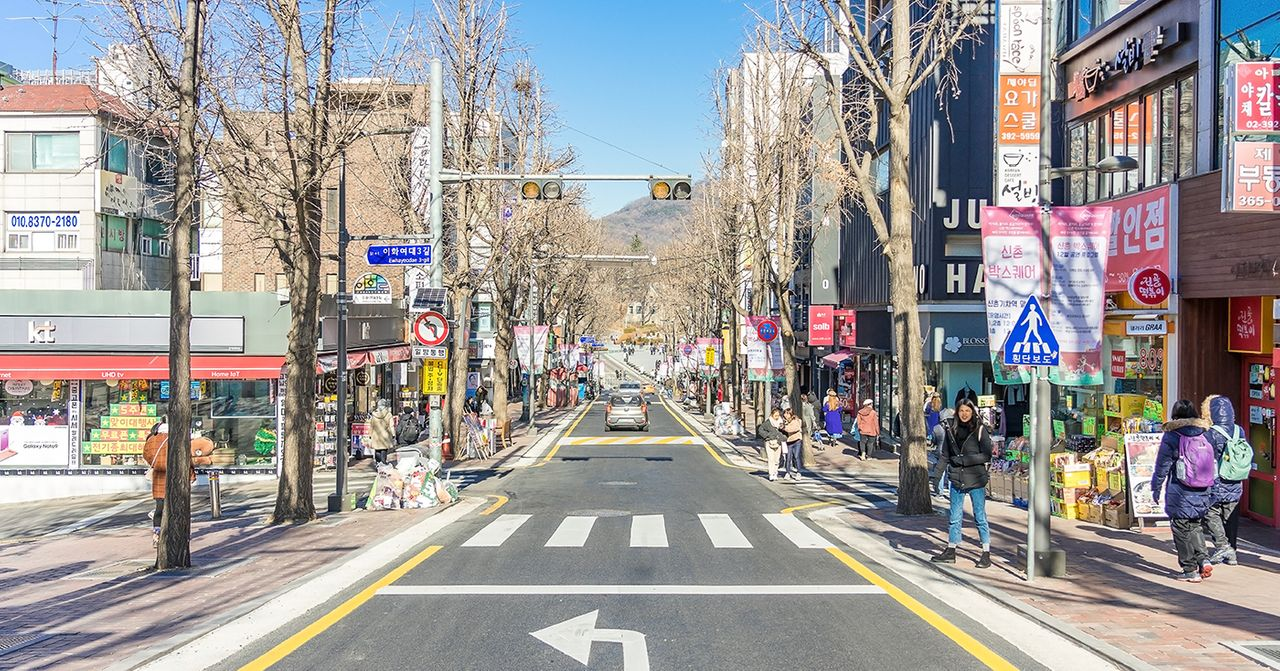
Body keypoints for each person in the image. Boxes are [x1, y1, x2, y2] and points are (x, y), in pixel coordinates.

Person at [1151, 399, 1215, 582]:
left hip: (1180, 490)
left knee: (1180, 528)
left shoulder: (1172, 435)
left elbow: (1162, 465)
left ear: (1175, 415)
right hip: (1203, 488)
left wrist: (1156, 488)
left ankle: (1189, 570)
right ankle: (1204, 559)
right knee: (1195, 525)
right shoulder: (1205, 433)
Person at [931, 399, 993, 567]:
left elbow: (987, 455)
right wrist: (936, 476)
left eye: (968, 410)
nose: (965, 414)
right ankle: (951, 549)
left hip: (976, 479)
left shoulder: (980, 429)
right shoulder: (951, 430)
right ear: (957, 412)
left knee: (980, 516)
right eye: (961, 411)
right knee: (954, 517)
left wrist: (964, 460)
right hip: (957, 479)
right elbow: (945, 455)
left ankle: (986, 552)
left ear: (972, 412)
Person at [143, 423, 214, 548]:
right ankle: (175, 535)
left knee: (160, 507)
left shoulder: (151, 440)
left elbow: (147, 457)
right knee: (177, 507)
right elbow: (186, 459)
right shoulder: (178, 439)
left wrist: (158, 465)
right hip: (177, 477)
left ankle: (157, 535)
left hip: (159, 477)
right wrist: (191, 476)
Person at [1201, 395, 1244, 566]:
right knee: (1231, 516)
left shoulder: (1211, 433)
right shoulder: (1239, 430)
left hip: (1218, 480)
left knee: (1211, 512)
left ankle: (1222, 546)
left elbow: (1206, 456)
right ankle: (1232, 550)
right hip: (1236, 479)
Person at [929, 407, 955, 495]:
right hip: (952, 452)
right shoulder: (955, 428)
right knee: (951, 472)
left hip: (940, 452)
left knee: (941, 471)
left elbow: (934, 441)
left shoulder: (936, 428)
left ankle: (940, 491)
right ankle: (951, 490)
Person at [756, 408, 785, 481]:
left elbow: (784, 432)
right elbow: (760, 430)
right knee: (771, 459)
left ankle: (775, 472)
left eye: (778, 415)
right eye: (775, 415)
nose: (777, 417)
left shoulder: (781, 422)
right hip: (769, 442)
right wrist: (768, 435)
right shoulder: (768, 423)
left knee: (777, 459)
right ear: (772, 415)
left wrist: (783, 437)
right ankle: (771, 473)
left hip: (778, 443)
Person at [368, 399, 396, 464]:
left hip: (376, 435)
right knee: (384, 448)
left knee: (377, 448)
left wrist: (370, 434)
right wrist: (393, 434)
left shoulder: (374, 415)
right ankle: (383, 461)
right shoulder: (388, 414)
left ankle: (378, 462)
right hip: (385, 434)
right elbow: (391, 425)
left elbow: (371, 425)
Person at [782, 407, 804, 480]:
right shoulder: (784, 421)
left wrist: (785, 428)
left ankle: (798, 472)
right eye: (785, 413)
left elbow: (795, 429)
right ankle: (787, 472)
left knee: (796, 456)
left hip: (797, 440)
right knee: (788, 458)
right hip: (788, 441)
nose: (785, 415)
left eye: (787, 413)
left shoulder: (796, 420)